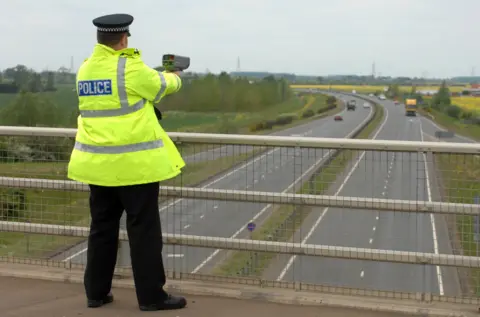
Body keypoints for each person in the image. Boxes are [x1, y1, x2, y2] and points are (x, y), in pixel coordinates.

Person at [67, 13, 187, 311]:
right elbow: (162, 86)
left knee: (102, 228)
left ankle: (96, 293)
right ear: (123, 39)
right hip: (135, 167)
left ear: (100, 39)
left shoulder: (84, 69)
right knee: (143, 232)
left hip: (97, 166)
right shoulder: (129, 66)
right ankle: (151, 297)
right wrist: (176, 75)